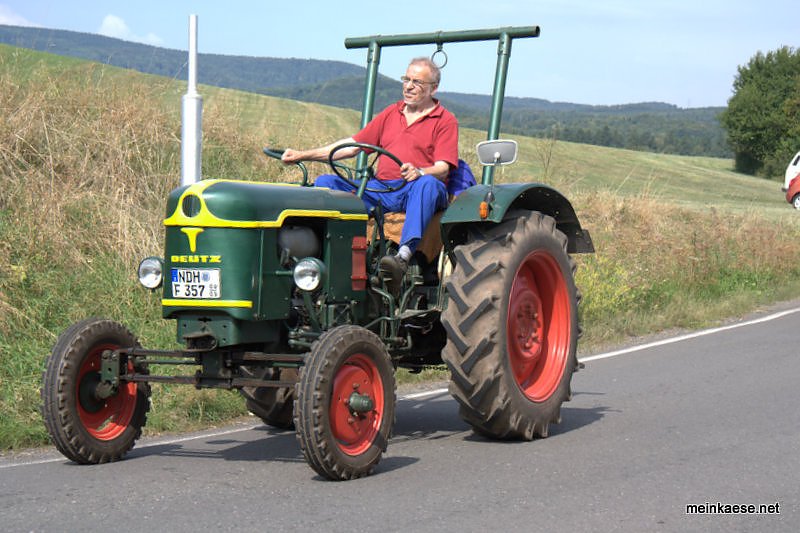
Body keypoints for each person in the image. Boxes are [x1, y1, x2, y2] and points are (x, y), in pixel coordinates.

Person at [281, 57, 458, 287]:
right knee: (327, 182)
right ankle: (320, 251)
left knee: (428, 184)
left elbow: (444, 167)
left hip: (415, 189)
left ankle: (402, 258)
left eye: (417, 82)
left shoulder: (444, 120)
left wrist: (421, 171)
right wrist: (302, 154)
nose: (408, 86)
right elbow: (353, 145)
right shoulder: (392, 113)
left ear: (433, 88)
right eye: (406, 79)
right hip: (382, 189)